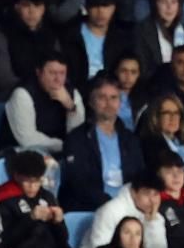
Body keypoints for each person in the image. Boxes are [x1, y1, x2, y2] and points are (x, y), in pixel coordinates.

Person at [62, 75, 145, 212]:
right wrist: (111, 205)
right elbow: (79, 182)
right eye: (102, 97)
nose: (109, 103)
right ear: (91, 101)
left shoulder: (131, 139)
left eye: (114, 98)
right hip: (92, 208)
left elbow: (140, 176)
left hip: (128, 207)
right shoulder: (76, 138)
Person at [0, 150, 70, 248]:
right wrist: (30, 218)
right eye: (27, 181)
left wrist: (59, 222)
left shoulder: (47, 196)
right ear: (17, 176)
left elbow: (63, 239)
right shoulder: (4, 198)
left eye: (37, 181)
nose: (32, 187)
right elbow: (4, 240)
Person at [2, 53, 85, 156]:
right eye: (52, 73)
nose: (58, 79)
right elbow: (27, 140)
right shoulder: (22, 95)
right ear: (38, 72)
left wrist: (70, 108)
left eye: (62, 73)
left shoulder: (72, 93)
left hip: (61, 153)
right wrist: (64, 146)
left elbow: (78, 135)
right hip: (22, 155)